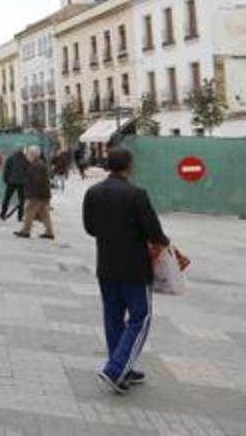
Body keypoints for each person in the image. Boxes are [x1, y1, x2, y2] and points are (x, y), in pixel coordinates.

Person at [83, 147, 169, 394]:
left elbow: (90, 228)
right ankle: (115, 369)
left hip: (106, 265)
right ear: (129, 166)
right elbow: (153, 232)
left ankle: (122, 367)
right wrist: (164, 242)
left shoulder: (93, 192)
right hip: (135, 268)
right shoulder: (136, 194)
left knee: (113, 316)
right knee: (140, 317)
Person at [14, 145, 55, 239]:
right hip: (41, 194)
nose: (27, 156)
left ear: (33, 155)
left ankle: (25, 231)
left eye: (29, 154)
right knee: (44, 214)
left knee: (29, 211)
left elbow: (37, 181)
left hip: (36, 194)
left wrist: (30, 194)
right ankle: (49, 232)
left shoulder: (37, 165)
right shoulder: (37, 164)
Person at [0, 146, 28, 220]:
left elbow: (6, 170)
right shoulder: (26, 159)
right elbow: (28, 171)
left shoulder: (10, 158)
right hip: (22, 182)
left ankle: (3, 213)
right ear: (23, 151)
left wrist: (6, 180)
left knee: (7, 198)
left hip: (11, 181)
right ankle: (20, 215)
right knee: (21, 199)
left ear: (15, 150)